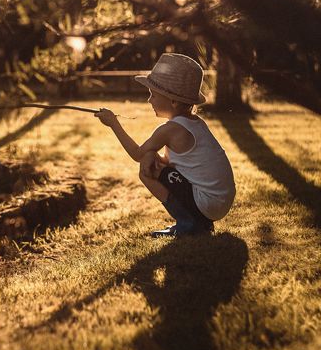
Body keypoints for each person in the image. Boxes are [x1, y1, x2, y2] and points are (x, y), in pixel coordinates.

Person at [95, 53, 236, 237]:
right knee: (151, 161)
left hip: (208, 201)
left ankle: (189, 224)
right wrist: (150, 155)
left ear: (173, 100)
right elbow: (173, 164)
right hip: (220, 200)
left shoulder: (169, 130)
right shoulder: (195, 122)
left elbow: (137, 154)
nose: (149, 100)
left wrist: (113, 123)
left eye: (153, 95)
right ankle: (199, 222)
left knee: (147, 172)